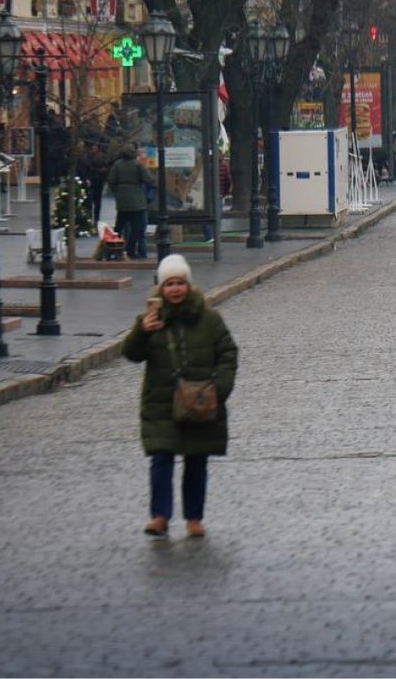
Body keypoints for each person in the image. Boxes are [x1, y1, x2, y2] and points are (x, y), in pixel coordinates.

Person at [121, 254, 239, 538]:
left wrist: (219, 388)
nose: (175, 289)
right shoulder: (151, 319)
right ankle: (160, 516)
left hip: (200, 402)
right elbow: (131, 354)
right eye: (169, 284)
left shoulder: (209, 319)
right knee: (161, 458)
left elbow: (228, 353)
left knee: (196, 460)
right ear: (161, 288)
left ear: (188, 285)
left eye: (179, 283)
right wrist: (141, 332)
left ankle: (194, 519)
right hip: (160, 402)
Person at [106, 143, 156, 259]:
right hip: (137, 201)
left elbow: (111, 180)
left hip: (122, 202)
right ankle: (134, 250)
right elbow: (149, 180)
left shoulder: (117, 165)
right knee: (139, 228)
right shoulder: (138, 165)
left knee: (119, 227)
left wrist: (117, 191)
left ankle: (115, 251)